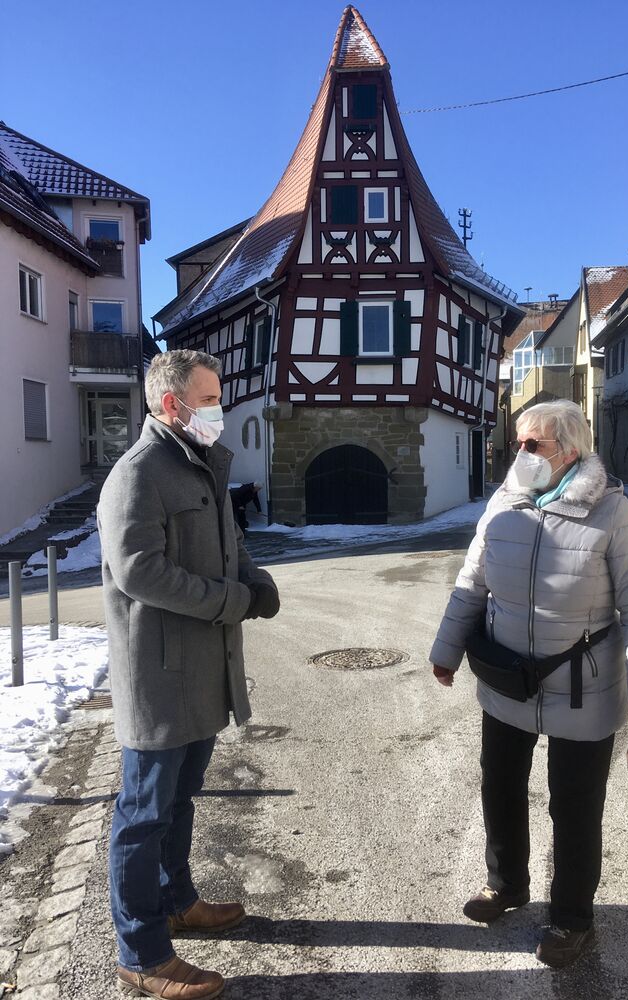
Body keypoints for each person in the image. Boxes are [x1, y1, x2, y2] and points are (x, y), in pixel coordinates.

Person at [429, 400, 628, 969]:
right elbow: (471, 584)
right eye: (516, 443)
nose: (519, 453)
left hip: (582, 689)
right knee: (499, 787)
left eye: (532, 445)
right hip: (505, 680)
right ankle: (508, 885)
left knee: (573, 807)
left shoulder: (613, 514)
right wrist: (447, 651)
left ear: (570, 449)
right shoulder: (502, 505)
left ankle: (572, 919)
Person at [98, 350, 280, 999]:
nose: (218, 410)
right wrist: (233, 601)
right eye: (208, 399)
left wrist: (256, 581)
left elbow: (232, 544)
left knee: (178, 803)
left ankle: (178, 902)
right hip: (158, 678)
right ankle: (141, 953)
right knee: (143, 815)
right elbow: (139, 572)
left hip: (203, 676)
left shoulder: (199, 467)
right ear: (172, 405)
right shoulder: (139, 474)